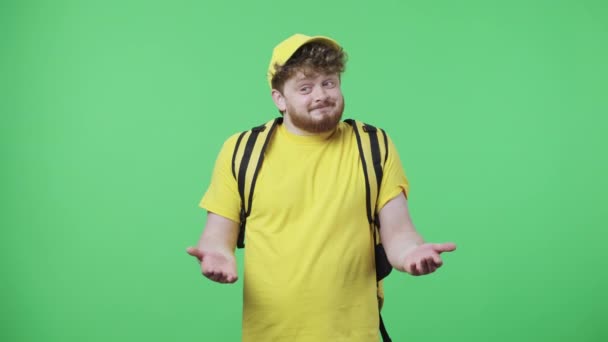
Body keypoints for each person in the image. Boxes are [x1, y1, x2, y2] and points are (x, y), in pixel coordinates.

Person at [186, 33, 457, 342]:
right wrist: (218, 255)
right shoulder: (241, 150)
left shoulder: (373, 145)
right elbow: (217, 236)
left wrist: (411, 253)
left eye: (329, 82)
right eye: (305, 87)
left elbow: (398, 233)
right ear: (279, 99)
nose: (321, 95)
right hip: (269, 334)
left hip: (354, 334)